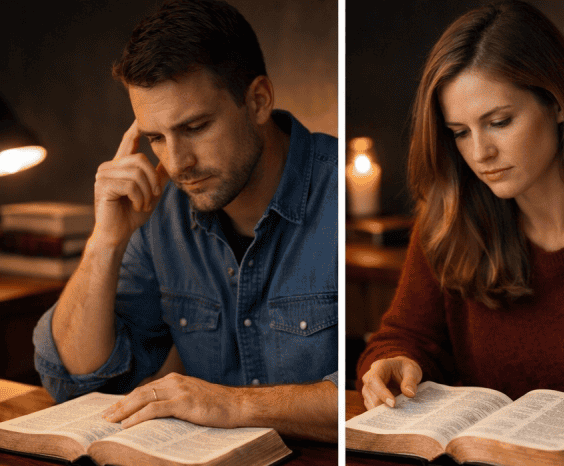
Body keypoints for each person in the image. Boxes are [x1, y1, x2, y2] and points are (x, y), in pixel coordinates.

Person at [358, 0, 564, 466]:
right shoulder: (449, 215)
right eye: (459, 132)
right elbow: (402, 339)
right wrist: (390, 363)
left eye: (499, 122)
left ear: (557, 103)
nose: (480, 152)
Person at [34, 0, 337, 442]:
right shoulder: (162, 213)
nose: (178, 164)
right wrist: (106, 241)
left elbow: (366, 397)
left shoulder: (336, 197)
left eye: (195, 127)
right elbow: (77, 381)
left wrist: (230, 404)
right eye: (156, 137)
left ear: (257, 101)